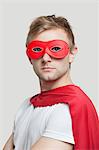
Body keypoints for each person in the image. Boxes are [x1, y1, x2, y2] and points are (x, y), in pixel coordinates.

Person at [3, 15, 99, 150]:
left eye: (55, 48)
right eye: (37, 49)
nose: (46, 58)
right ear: (29, 57)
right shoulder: (27, 106)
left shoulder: (69, 109)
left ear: (71, 53)